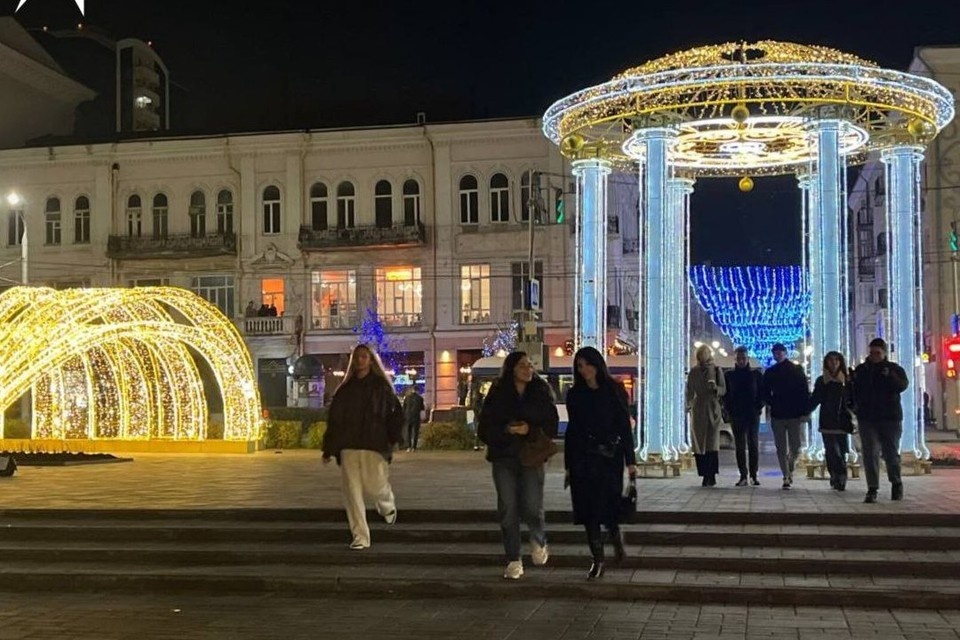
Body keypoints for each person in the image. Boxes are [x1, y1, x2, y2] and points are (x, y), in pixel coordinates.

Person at [477, 351, 559, 580]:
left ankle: (538, 538)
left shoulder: (540, 392)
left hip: (530, 456)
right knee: (508, 508)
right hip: (504, 457)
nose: (528, 369)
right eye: (523, 365)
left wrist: (529, 430)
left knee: (532, 505)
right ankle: (513, 559)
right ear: (512, 368)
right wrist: (506, 430)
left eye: (530, 365)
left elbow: (551, 425)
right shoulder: (498, 393)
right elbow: (484, 427)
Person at [564, 346, 637, 580]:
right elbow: (572, 430)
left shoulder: (614, 391)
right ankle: (598, 559)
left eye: (587, 364)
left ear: (597, 364)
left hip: (609, 458)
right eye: (579, 366)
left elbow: (624, 428)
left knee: (608, 504)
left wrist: (630, 461)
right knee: (588, 511)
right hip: (582, 458)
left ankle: (615, 536)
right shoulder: (575, 394)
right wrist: (568, 465)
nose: (584, 370)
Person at [322, 344, 404, 550]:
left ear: (370, 360)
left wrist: (394, 438)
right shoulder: (346, 390)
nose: (360, 360)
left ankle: (386, 505)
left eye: (364, 357)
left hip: (373, 444)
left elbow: (395, 415)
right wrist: (328, 448)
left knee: (375, 485)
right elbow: (335, 420)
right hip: (349, 445)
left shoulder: (381, 387)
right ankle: (360, 536)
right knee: (352, 493)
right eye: (357, 357)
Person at [851, 338, 909, 503]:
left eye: (877, 353)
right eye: (871, 353)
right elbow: (854, 390)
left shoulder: (893, 369)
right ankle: (872, 488)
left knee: (890, 453)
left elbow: (902, 386)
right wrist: (855, 405)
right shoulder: (862, 370)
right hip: (867, 418)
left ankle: (896, 483)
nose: (874, 356)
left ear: (884, 353)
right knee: (869, 454)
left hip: (889, 418)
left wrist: (890, 376)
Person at [761, 343, 810, 490]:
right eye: (776, 353)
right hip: (778, 414)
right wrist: (772, 402)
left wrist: (804, 410)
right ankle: (786, 476)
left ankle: (789, 467)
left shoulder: (796, 370)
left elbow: (804, 391)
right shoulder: (771, 372)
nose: (778, 355)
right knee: (781, 447)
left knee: (796, 446)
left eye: (780, 352)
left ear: (785, 353)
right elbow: (765, 391)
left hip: (794, 414)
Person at [808, 351, 855, 491]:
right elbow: (815, 399)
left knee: (841, 450)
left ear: (840, 362)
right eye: (830, 360)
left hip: (842, 420)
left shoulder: (847, 380)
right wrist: (805, 411)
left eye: (836, 360)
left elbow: (853, 398)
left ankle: (840, 476)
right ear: (826, 363)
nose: (834, 363)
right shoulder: (822, 380)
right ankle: (836, 475)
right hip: (827, 420)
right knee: (831, 450)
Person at [686, 344, 726, 487]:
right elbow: (689, 390)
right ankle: (704, 473)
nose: (703, 357)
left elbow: (723, 389)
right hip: (699, 408)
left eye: (705, 354)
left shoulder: (716, 370)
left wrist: (716, 389)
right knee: (699, 442)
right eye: (700, 354)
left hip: (712, 407)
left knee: (712, 443)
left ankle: (711, 474)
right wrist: (688, 404)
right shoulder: (693, 372)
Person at [723, 346, 764, 486]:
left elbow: (762, 393)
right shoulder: (729, 375)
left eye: (743, 358)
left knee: (753, 444)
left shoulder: (756, 375)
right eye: (739, 358)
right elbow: (726, 395)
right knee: (740, 445)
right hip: (737, 414)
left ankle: (754, 475)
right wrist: (729, 410)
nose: (741, 361)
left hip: (752, 413)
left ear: (748, 359)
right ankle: (743, 475)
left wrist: (758, 407)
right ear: (735, 359)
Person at [402, 385, 425, 452]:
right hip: (416, 417)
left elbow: (404, 408)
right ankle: (414, 447)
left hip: (408, 417)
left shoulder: (407, 398)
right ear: (417, 391)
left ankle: (409, 447)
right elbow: (422, 408)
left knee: (408, 432)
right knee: (415, 432)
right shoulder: (420, 398)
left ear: (412, 390)